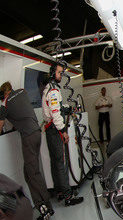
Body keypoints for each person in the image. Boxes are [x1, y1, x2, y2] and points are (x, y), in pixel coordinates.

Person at [0, 82, 54, 220]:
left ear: (4, 93)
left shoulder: (4, 103)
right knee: (29, 171)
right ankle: (44, 204)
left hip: (28, 138)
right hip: (37, 133)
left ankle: (44, 207)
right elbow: (21, 98)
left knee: (32, 173)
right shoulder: (22, 92)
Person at [41, 62, 83, 206]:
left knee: (55, 162)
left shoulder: (50, 89)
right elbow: (55, 113)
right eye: (59, 73)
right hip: (55, 129)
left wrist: (66, 107)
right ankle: (68, 196)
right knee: (61, 163)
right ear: (53, 74)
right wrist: (63, 131)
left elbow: (56, 107)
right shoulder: (53, 91)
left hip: (50, 129)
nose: (61, 75)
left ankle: (60, 191)